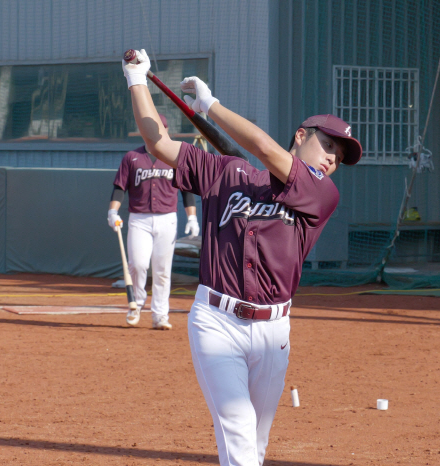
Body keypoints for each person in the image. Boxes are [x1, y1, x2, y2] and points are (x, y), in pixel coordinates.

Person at [122, 49, 361, 465]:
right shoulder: (225, 172)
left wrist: (211, 107)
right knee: (237, 429)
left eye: (338, 158)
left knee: (255, 443)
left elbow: (268, 150)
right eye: (326, 145)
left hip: (274, 331)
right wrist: (136, 79)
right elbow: (158, 143)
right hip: (217, 321)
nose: (331, 159)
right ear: (301, 136)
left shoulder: (322, 193)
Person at [107, 114, 199, 330]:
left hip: (167, 219)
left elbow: (186, 191)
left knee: (162, 269)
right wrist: (113, 212)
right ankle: (136, 304)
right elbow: (120, 187)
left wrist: (192, 216)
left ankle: (160, 315)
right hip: (140, 218)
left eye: (162, 130)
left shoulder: (174, 158)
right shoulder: (132, 157)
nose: (159, 134)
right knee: (138, 265)